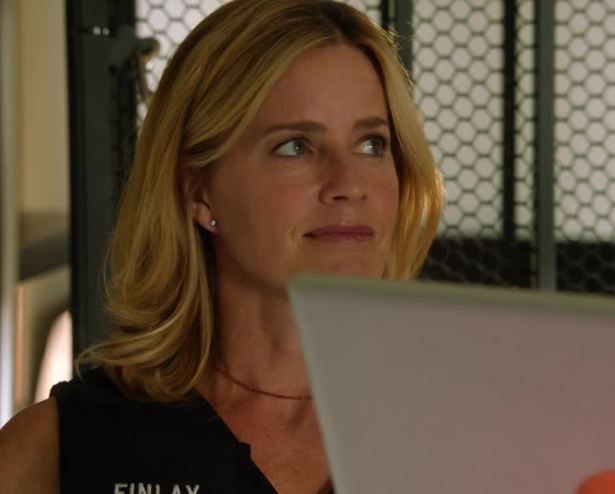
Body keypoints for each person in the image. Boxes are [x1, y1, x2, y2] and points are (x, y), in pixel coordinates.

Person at [0, 0, 443, 492]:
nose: (350, 184)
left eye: (372, 144)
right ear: (199, 192)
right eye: (295, 146)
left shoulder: (465, 423)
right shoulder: (57, 449)